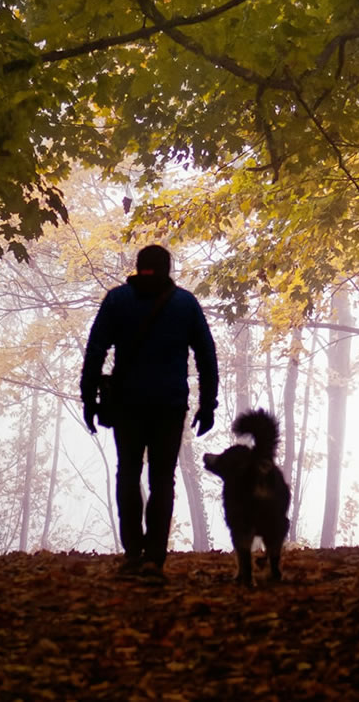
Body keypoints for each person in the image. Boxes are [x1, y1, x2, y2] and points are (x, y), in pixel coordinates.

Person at [81, 244, 218, 581]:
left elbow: (96, 349)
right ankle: (154, 559)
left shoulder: (117, 300)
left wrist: (89, 399)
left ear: (138, 266)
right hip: (169, 406)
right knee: (162, 480)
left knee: (127, 474)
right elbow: (206, 354)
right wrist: (208, 403)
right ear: (168, 268)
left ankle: (132, 554)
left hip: (127, 405)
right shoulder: (185, 304)